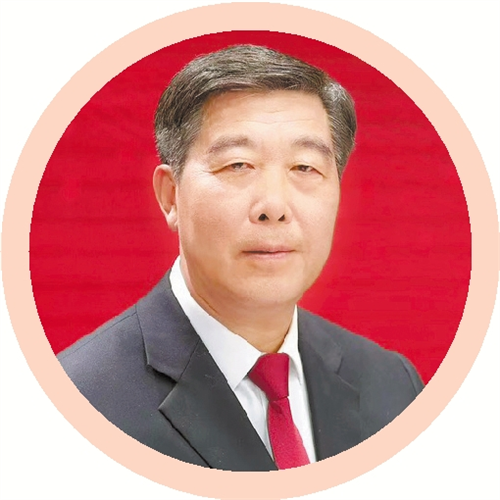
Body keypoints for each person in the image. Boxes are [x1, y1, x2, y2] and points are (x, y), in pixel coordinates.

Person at [58, 45, 424, 471]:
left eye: (305, 167)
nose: (274, 206)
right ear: (171, 196)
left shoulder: (393, 386)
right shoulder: (76, 403)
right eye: (238, 165)